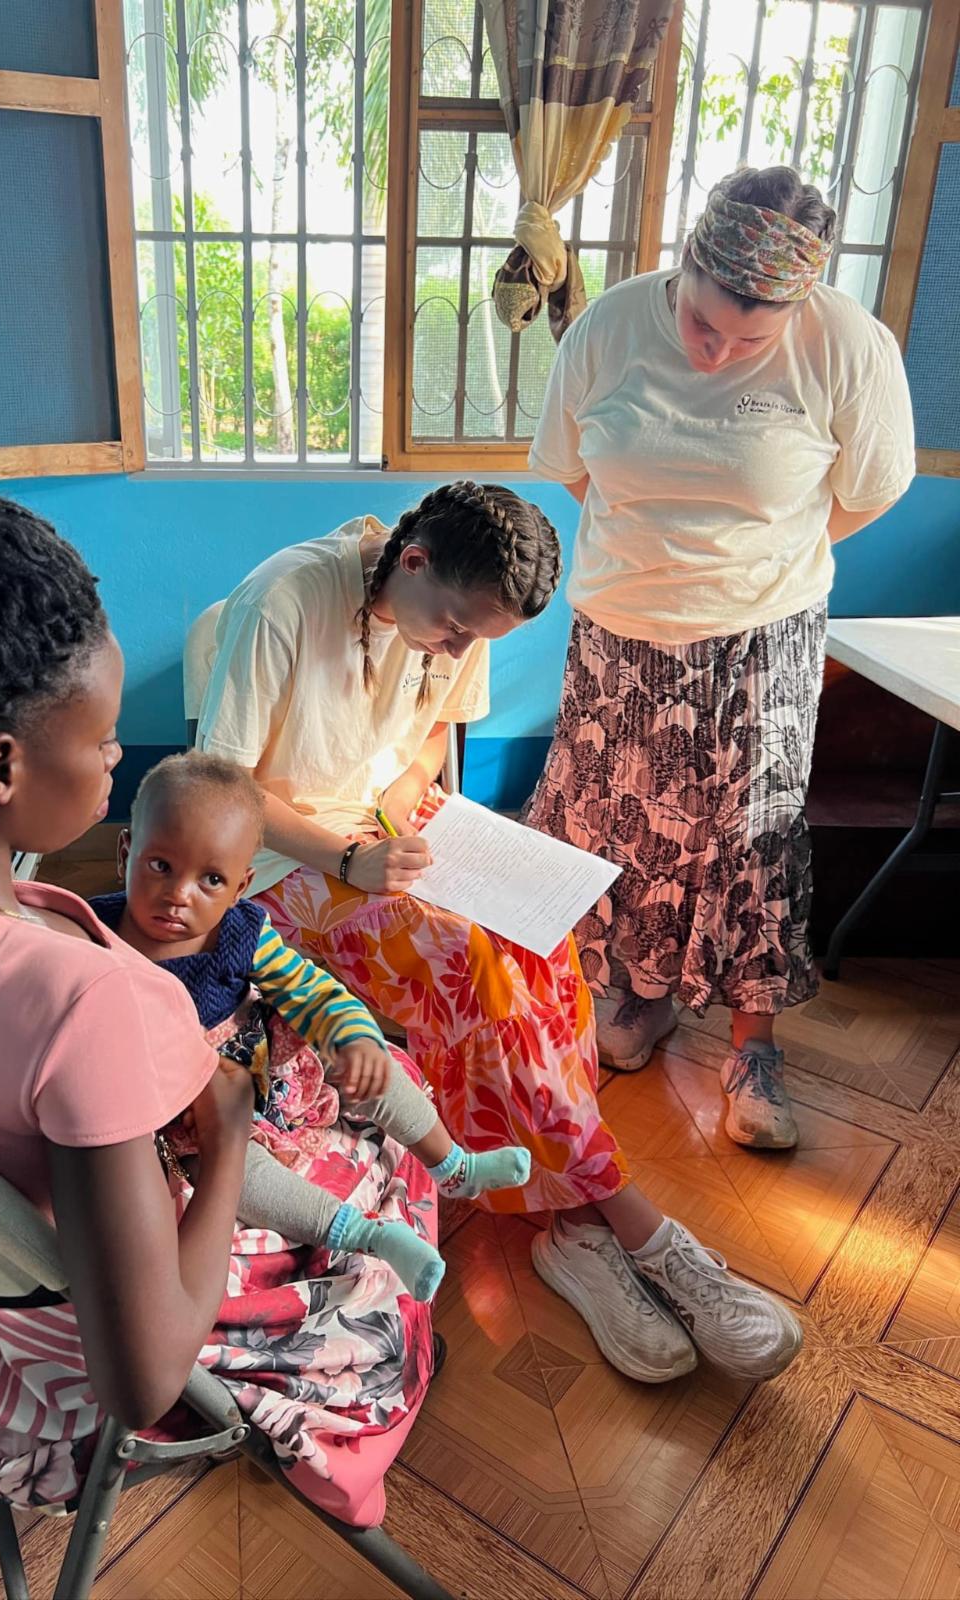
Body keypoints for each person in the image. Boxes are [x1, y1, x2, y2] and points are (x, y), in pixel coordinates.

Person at [0, 400, 437, 1524]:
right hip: (69, 1375)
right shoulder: (86, 1007)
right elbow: (144, 1379)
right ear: (2, 767)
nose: (123, 756)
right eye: (107, 738)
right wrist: (228, 1134)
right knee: (391, 1171)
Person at [195, 478, 802, 1384]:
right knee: (470, 969)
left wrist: (402, 812)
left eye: (477, 638)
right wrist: (351, 855)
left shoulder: (458, 613)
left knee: (543, 941)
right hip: (281, 860)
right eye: (453, 630)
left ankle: (571, 1221)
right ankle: (624, 1221)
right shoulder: (285, 599)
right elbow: (219, 787)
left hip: (383, 829)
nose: (458, 649)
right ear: (412, 560)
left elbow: (426, 744)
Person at [525, 165, 916, 1150]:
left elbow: (872, 487)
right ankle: (643, 995)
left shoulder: (846, 345)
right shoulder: (608, 329)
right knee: (622, 824)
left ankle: (754, 1047)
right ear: (687, 265)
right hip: (621, 625)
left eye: (750, 339)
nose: (717, 351)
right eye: (704, 323)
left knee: (754, 838)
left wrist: (762, 560)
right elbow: (572, 468)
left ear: (798, 305)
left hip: (766, 630)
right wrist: (658, 558)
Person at [90, 751, 531, 1302]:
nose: (179, 894)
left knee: (376, 1067)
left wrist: (355, 1037)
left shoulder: (241, 931)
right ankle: (370, 1236)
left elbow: (313, 992)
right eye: (160, 866)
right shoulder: (92, 939)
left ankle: (453, 1165)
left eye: (211, 880)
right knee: (234, 1178)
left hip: (268, 1065)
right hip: (196, 1111)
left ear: (240, 887)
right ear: (126, 851)